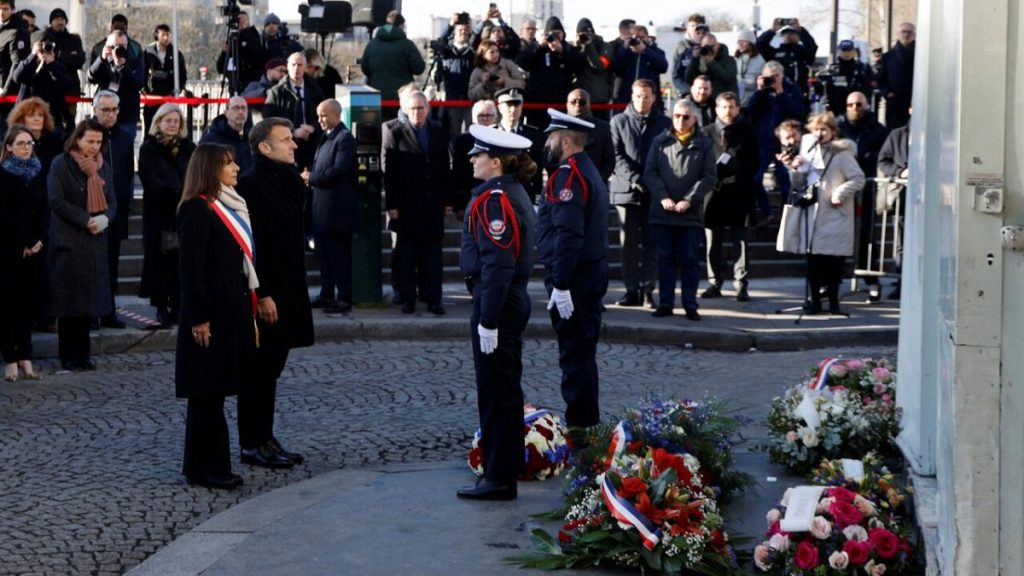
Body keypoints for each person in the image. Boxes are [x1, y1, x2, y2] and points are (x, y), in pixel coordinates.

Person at [456, 126, 537, 501]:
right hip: (507, 300)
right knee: (504, 388)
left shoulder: (496, 200)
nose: (472, 159)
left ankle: (499, 476)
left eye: (478, 154)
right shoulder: (509, 194)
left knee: (497, 391)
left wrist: (488, 319)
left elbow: (498, 264)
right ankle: (502, 469)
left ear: (497, 161)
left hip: (499, 303)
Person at [175, 143, 257, 490]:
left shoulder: (225, 205)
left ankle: (203, 465)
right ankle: (209, 468)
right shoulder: (197, 209)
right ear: (210, 169)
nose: (236, 168)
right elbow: (191, 270)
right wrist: (199, 318)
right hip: (208, 316)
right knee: (206, 393)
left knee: (215, 392)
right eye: (228, 164)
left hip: (228, 311)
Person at [235, 117, 315, 469]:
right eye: (285, 140)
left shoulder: (288, 180)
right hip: (266, 292)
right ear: (264, 147)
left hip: (289, 288)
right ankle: (251, 442)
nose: (293, 144)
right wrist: (262, 293)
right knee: (257, 370)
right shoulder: (252, 184)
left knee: (272, 369)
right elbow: (251, 247)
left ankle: (265, 437)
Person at [536, 109, 609, 428]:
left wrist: (561, 284)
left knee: (575, 356)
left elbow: (568, 233)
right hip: (586, 275)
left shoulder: (569, 175)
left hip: (575, 278)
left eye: (551, 137)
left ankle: (581, 428)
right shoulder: (585, 169)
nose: (547, 143)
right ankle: (585, 423)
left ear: (566, 140)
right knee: (582, 353)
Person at [47, 119, 116, 371]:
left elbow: (112, 201)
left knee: (88, 303)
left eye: (98, 142)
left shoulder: (103, 167)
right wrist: (86, 219)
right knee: (68, 304)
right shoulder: (61, 164)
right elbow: (56, 200)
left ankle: (83, 354)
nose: (95, 146)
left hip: (94, 241)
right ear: (78, 139)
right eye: (90, 141)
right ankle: (68, 354)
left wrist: (105, 219)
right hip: (69, 241)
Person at [780, 112, 865, 315]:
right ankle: (815, 303)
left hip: (835, 215)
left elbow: (858, 178)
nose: (820, 133)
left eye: (824, 129)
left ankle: (834, 304)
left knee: (833, 264)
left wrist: (840, 192)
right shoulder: (808, 154)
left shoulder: (842, 155)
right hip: (813, 214)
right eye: (816, 129)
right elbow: (799, 185)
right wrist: (796, 169)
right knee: (813, 263)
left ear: (832, 132)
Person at [644, 99, 716, 321]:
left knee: (690, 261)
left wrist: (690, 199)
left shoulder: (704, 144)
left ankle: (690, 304)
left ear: (694, 118)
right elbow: (650, 173)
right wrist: (663, 197)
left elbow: (709, 177)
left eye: (686, 117)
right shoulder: (660, 141)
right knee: (664, 260)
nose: (681, 121)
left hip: (690, 214)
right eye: (677, 116)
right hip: (663, 212)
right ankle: (665, 303)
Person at [382, 90, 451, 315]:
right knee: (407, 256)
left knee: (432, 256)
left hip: (432, 205)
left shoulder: (438, 131)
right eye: (412, 108)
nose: (417, 112)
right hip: (406, 207)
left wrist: (446, 200)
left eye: (420, 108)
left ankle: (434, 299)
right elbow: (390, 174)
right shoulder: (396, 132)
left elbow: (444, 168)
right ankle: (408, 299)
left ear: (427, 108)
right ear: (405, 109)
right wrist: (391, 205)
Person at [609, 79, 672, 308]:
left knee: (651, 244)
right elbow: (616, 156)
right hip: (626, 192)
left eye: (646, 96)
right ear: (631, 96)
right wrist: (636, 179)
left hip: (654, 193)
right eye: (637, 96)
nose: (642, 100)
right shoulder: (618, 121)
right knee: (628, 246)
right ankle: (630, 290)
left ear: (654, 97)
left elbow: (667, 156)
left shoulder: (664, 123)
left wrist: (652, 182)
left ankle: (648, 290)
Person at [138, 103, 195, 326]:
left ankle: (180, 305)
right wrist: (170, 194)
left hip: (184, 210)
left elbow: (194, 172)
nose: (172, 125)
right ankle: (161, 306)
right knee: (159, 261)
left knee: (182, 260)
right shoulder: (148, 148)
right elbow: (148, 177)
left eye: (176, 121)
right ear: (158, 122)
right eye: (168, 120)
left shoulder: (189, 147)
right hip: (159, 212)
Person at [702, 92, 758, 302]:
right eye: (724, 107)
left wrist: (736, 168)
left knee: (740, 240)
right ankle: (714, 282)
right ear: (716, 109)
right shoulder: (706, 132)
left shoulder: (747, 132)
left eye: (732, 107)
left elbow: (754, 161)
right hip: (713, 193)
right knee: (712, 241)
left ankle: (741, 283)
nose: (728, 111)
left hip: (739, 190)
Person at [1, 125, 46, 381]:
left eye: (29, 143)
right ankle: (10, 358)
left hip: (35, 248)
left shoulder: (38, 172)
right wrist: (26, 242)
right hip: (11, 249)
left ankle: (26, 357)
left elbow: (44, 210)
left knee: (29, 305)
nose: (26, 147)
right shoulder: (4, 175)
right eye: (20, 143)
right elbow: (7, 215)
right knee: (9, 306)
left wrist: (38, 240)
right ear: (9, 147)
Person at [838, 90, 889, 301]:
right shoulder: (840, 128)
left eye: (858, 105)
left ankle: (871, 280)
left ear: (866, 106)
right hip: (842, 186)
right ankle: (831, 281)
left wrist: (868, 157)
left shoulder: (877, 130)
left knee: (866, 235)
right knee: (837, 233)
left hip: (866, 188)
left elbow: (885, 155)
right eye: (850, 105)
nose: (854, 109)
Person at [307, 99, 357, 314]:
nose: (320, 120)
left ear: (336, 115)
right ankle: (327, 293)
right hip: (321, 210)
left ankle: (344, 297)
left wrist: (312, 177)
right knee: (324, 256)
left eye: (324, 115)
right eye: (318, 115)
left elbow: (338, 170)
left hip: (336, 211)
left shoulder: (344, 139)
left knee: (339, 257)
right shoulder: (326, 137)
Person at [91, 90, 133, 329]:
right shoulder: (85, 134)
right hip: (92, 210)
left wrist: (124, 205)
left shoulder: (125, 138)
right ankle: (90, 313)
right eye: (105, 109)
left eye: (114, 109)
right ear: (95, 109)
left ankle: (108, 312)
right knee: (92, 264)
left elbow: (128, 174)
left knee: (112, 265)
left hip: (115, 211)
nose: (110, 114)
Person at [746, 60, 805, 217]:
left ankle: (786, 215)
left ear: (783, 75)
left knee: (786, 182)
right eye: (769, 77)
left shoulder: (792, 89)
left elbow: (799, 111)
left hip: (786, 142)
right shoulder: (762, 92)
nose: (773, 79)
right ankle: (766, 212)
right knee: (756, 179)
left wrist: (781, 94)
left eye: (776, 76)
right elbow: (749, 113)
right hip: (764, 141)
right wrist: (759, 91)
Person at [517, 17, 583, 129]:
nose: (555, 37)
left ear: (563, 34)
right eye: (552, 34)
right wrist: (537, 46)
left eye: (558, 33)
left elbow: (579, 65)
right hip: (538, 103)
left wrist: (562, 51)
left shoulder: (568, 48)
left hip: (560, 101)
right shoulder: (538, 49)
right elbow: (522, 62)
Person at [263, 52, 323, 171]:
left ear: (305, 67)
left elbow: (324, 116)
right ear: (288, 67)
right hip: (286, 147)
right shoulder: (276, 92)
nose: (297, 68)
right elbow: (268, 121)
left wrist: (313, 128)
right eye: (293, 64)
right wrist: (293, 132)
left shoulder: (315, 89)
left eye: (300, 65)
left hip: (312, 146)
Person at [359, 10, 425, 118]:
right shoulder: (407, 45)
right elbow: (419, 68)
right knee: (401, 130)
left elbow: (365, 68)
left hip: (377, 97)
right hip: (403, 97)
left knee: (381, 131)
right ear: (401, 26)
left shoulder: (372, 44)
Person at [876, 113, 910, 299]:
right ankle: (901, 281)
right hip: (902, 195)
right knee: (901, 242)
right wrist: (900, 172)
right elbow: (883, 161)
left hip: (930, 197)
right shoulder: (897, 135)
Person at [88, 29, 145, 139]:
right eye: (114, 46)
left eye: (122, 46)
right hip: (103, 115)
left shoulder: (135, 62)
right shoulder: (103, 62)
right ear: (107, 46)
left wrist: (122, 67)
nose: (118, 49)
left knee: (124, 149)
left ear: (127, 46)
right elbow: (91, 78)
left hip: (126, 115)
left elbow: (138, 84)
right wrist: (101, 59)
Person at [34, 9, 86, 124]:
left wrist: (58, 55)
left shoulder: (74, 39)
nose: (60, 22)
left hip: (70, 90)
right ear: (51, 22)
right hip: (49, 90)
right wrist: (68, 56)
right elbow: (43, 60)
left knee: (69, 123)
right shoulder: (45, 38)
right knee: (50, 122)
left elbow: (79, 61)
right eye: (56, 19)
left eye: (62, 19)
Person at [12, 39, 76, 131]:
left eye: (48, 49)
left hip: (52, 116)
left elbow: (67, 85)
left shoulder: (57, 66)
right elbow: (17, 76)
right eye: (42, 49)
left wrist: (52, 65)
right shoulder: (29, 64)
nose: (44, 52)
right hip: (27, 115)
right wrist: (33, 55)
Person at [494, 88, 543, 202]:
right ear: (500, 107)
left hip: (525, 193)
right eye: (508, 105)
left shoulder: (533, 134)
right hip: (498, 192)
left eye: (517, 105)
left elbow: (538, 167)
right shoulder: (492, 134)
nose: (513, 109)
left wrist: (537, 194)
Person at [450, 99, 498, 213]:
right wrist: (459, 205)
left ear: (495, 117)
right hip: (470, 198)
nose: (485, 119)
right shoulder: (461, 141)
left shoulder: (501, 140)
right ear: (473, 118)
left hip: (495, 196)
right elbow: (457, 173)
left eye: (489, 115)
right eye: (481, 115)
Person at [142, 24, 188, 135]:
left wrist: (177, 89)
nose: (166, 38)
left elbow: (182, 75)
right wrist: (144, 90)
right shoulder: (147, 53)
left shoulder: (176, 54)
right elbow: (142, 73)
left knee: (169, 129)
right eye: (163, 35)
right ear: (157, 36)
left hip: (169, 98)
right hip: (151, 99)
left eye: (168, 35)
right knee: (151, 130)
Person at [433, 17, 475, 137]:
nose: (463, 33)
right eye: (460, 30)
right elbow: (439, 43)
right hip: (452, 98)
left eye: (465, 30)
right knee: (453, 132)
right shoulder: (447, 52)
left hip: (469, 98)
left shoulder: (472, 54)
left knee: (470, 131)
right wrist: (450, 26)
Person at [612, 25, 668, 114]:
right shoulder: (625, 52)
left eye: (642, 37)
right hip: (626, 99)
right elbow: (615, 68)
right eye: (636, 38)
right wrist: (624, 48)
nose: (639, 41)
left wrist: (645, 50)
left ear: (647, 37)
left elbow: (663, 67)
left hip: (649, 99)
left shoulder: (656, 51)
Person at [755, 19, 817, 95]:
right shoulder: (775, 52)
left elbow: (812, 47)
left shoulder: (803, 52)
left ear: (798, 35)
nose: (789, 35)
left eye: (792, 33)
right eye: (785, 33)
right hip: (778, 92)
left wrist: (801, 30)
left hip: (798, 92)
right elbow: (759, 45)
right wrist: (772, 31)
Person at [571, 18, 615, 121]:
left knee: (600, 129)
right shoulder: (575, 48)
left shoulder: (605, 46)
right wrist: (575, 47)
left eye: (588, 34)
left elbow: (599, 66)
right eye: (582, 35)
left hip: (599, 99)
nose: (585, 37)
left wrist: (589, 46)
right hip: (579, 99)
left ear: (593, 33)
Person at [566, 88, 614, 181]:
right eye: (573, 101)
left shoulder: (602, 127)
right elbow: (550, 159)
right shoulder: (558, 126)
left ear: (589, 104)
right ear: (567, 104)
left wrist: (596, 180)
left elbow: (609, 160)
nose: (577, 104)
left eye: (582, 102)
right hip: (564, 182)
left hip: (594, 182)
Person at [215, 11, 265, 95]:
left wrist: (244, 33)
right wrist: (224, 53)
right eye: (238, 20)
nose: (241, 22)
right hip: (234, 86)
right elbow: (221, 68)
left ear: (249, 22)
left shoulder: (253, 36)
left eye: (243, 20)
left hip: (251, 85)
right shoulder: (233, 39)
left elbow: (257, 55)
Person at [820, 40, 875, 114]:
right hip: (837, 109)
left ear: (854, 52)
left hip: (857, 108)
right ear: (839, 51)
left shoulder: (862, 68)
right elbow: (824, 90)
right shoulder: (832, 69)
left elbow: (869, 87)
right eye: (844, 50)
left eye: (849, 50)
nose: (846, 53)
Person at [877, 23, 915, 128]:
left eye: (909, 32)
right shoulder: (888, 57)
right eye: (903, 32)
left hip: (916, 102)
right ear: (898, 34)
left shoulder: (921, 55)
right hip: (895, 105)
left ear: (914, 35)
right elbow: (880, 80)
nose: (906, 35)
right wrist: (888, 93)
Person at [200, 96, 253, 171]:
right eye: (236, 108)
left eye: (244, 108)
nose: (240, 112)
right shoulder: (212, 139)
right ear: (226, 113)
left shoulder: (254, 138)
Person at [685, 34, 738, 100]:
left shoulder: (729, 60)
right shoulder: (699, 60)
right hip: (704, 99)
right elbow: (689, 79)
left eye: (712, 46)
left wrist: (712, 63)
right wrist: (694, 59)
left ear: (718, 46)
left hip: (723, 99)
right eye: (706, 47)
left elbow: (728, 78)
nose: (709, 49)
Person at [0, 0, 30, 119]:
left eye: (5, 9)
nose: (1, 12)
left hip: (8, 92)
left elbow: (16, 63)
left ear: (12, 10)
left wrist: (5, 90)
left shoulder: (17, 32)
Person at [671, 14, 707, 98]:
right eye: (692, 26)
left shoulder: (711, 45)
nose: (695, 29)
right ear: (687, 29)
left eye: (698, 26)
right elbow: (676, 75)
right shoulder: (681, 48)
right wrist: (687, 91)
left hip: (706, 93)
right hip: (687, 94)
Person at [734, 29, 765, 105]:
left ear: (751, 43)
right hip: (738, 98)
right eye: (739, 42)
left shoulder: (760, 60)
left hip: (752, 99)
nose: (740, 44)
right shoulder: (737, 58)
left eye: (743, 41)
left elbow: (757, 81)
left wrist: (740, 81)